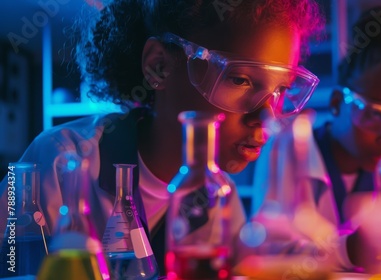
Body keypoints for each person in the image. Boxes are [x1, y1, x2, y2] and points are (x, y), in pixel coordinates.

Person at [0, 0, 325, 276]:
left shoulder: (216, 193)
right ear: (159, 67)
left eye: (281, 90)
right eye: (239, 79)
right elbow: (10, 267)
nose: (268, 116)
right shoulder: (60, 159)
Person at [249, 5, 381, 272]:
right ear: (336, 103)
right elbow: (272, 254)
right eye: (375, 115)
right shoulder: (289, 148)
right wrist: (353, 248)